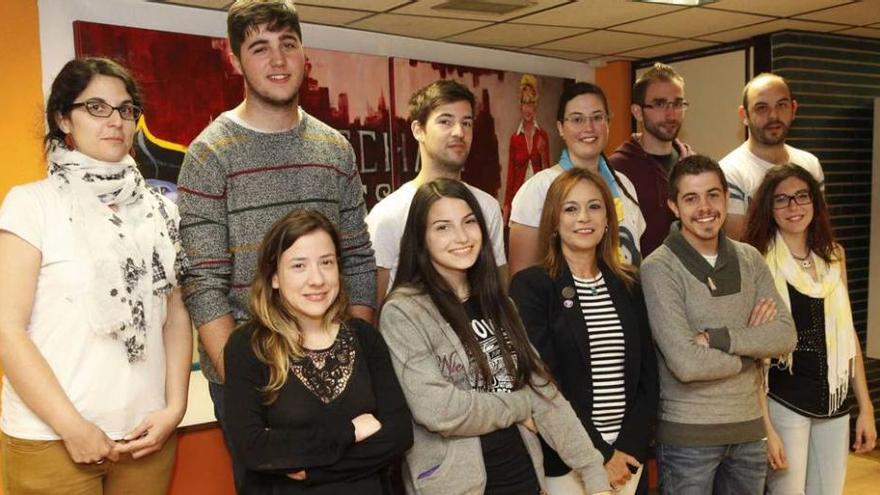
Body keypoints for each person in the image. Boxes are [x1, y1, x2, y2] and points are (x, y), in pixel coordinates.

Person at [176, 0, 376, 483]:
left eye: (288, 44)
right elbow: (203, 283)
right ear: (236, 60)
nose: (279, 60)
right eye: (260, 48)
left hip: (337, 369)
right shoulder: (209, 155)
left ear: (304, 52)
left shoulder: (334, 149)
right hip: (256, 382)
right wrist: (249, 387)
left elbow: (359, 262)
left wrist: (356, 360)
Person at [0, 57, 191, 493]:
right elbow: (7, 329)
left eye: (126, 110)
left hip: (146, 435)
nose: (116, 122)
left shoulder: (162, 210)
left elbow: (176, 315)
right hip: (52, 437)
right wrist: (72, 427)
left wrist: (174, 407)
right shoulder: (32, 205)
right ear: (63, 117)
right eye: (97, 108)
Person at [379, 178, 613, 495]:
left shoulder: (499, 303)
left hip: (524, 478)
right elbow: (438, 409)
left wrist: (592, 472)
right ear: (420, 239)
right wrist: (519, 406)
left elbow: (544, 393)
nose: (461, 237)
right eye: (442, 227)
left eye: (469, 222)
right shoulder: (404, 312)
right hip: (456, 486)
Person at [223, 210, 412, 494]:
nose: (317, 279)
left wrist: (310, 469)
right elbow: (255, 449)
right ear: (274, 276)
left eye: (326, 263)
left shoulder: (365, 337)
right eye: (299, 266)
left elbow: (397, 435)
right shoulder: (247, 347)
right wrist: (350, 431)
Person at [640, 155, 797, 495]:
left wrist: (718, 338)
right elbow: (685, 364)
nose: (705, 207)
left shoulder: (749, 258)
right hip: (688, 438)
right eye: (691, 198)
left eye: (713, 195)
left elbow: (785, 334)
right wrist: (753, 352)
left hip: (749, 432)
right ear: (673, 205)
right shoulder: (659, 267)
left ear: (727, 198)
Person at [510, 168, 658, 495]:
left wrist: (627, 449)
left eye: (594, 206)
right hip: (568, 461)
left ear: (608, 218)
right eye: (570, 208)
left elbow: (648, 376)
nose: (584, 218)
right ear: (554, 221)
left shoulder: (629, 285)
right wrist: (600, 455)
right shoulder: (532, 287)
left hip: (628, 462)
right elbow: (546, 382)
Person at [743, 164, 876, 494]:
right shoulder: (757, 260)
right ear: (769, 209)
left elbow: (848, 336)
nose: (794, 207)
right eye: (782, 200)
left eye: (801, 197)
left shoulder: (834, 256)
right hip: (785, 400)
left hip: (835, 401)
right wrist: (766, 428)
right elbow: (753, 351)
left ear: (815, 202)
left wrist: (867, 408)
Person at [367, 79, 506, 307]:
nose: (459, 132)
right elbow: (373, 309)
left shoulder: (487, 206)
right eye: (445, 121)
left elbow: (498, 291)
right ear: (418, 130)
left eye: (467, 123)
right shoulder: (388, 215)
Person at [509, 82, 645, 276]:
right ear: (561, 128)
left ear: (608, 123)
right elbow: (520, 280)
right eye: (577, 119)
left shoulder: (625, 185)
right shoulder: (539, 188)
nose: (589, 127)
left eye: (597, 117)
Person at [720, 73, 824, 240]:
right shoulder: (729, 172)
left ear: (793, 109)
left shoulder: (810, 164)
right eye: (762, 108)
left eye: (782, 105)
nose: (773, 115)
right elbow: (740, 248)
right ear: (744, 115)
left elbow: (819, 230)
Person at [610, 62, 694, 256]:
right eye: (659, 104)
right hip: (638, 283)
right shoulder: (616, 170)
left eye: (678, 104)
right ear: (637, 112)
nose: (671, 114)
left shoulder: (693, 166)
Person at [504, 74, 551, 221]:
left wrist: (542, 153)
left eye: (531, 103)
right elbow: (510, 175)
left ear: (535, 105)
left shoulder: (542, 135)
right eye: (525, 103)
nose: (527, 108)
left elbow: (548, 173)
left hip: (539, 200)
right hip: (519, 199)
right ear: (520, 106)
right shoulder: (515, 138)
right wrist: (506, 205)